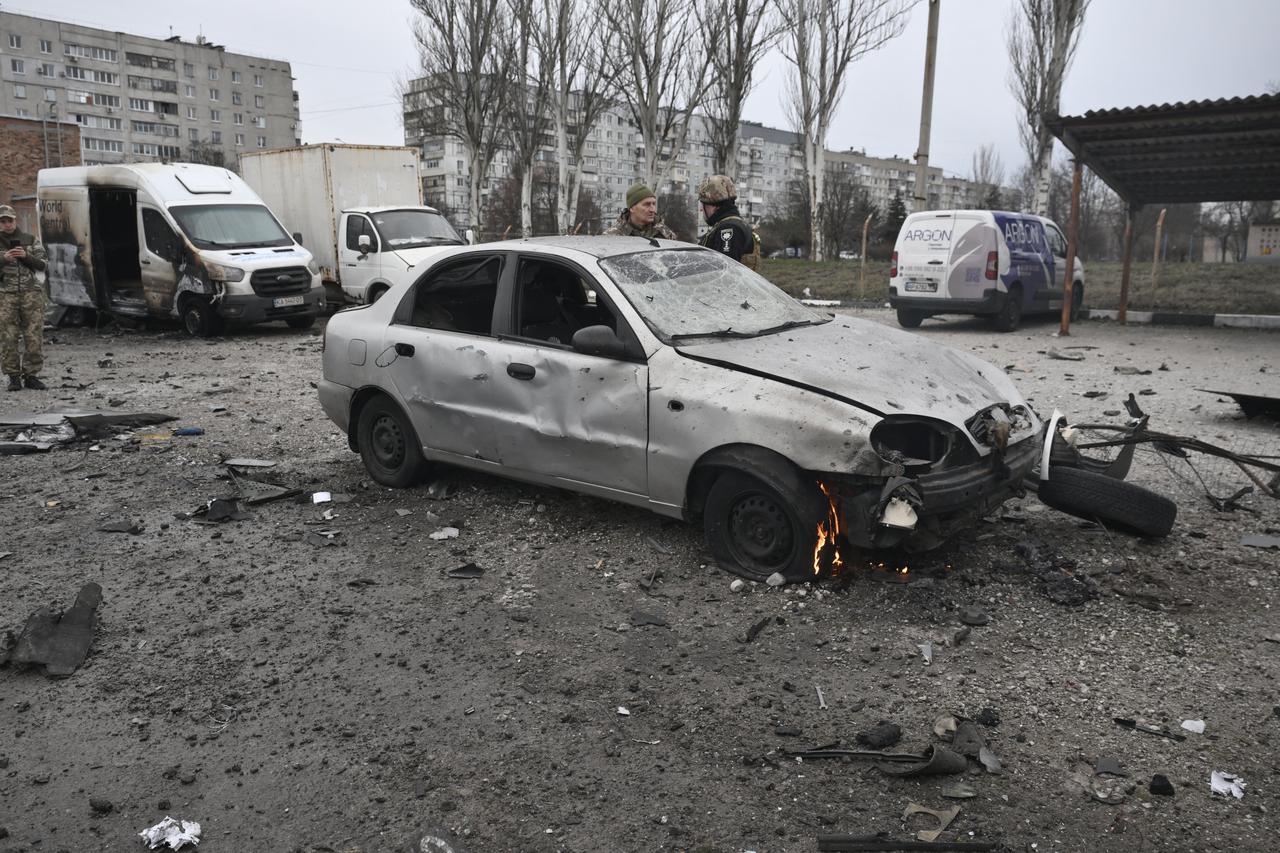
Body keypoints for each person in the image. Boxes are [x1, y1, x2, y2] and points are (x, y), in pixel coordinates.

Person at [0, 204, 48, 391]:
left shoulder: (30, 239)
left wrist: (25, 256)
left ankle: (31, 376)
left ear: (15, 220)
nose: (6, 224)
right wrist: (4, 258)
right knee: (8, 337)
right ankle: (13, 377)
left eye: (9, 220)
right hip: (5, 296)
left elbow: (43, 265)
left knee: (34, 336)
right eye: (2, 221)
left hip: (31, 295)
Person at [696, 174, 760, 269]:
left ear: (714, 205)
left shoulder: (729, 229)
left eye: (703, 204)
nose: (701, 210)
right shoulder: (733, 225)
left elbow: (725, 272)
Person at [605, 183, 678, 240]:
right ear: (632, 208)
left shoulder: (664, 233)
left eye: (653, 204)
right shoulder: (613, 236)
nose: (652, 210)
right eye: (647, 204)